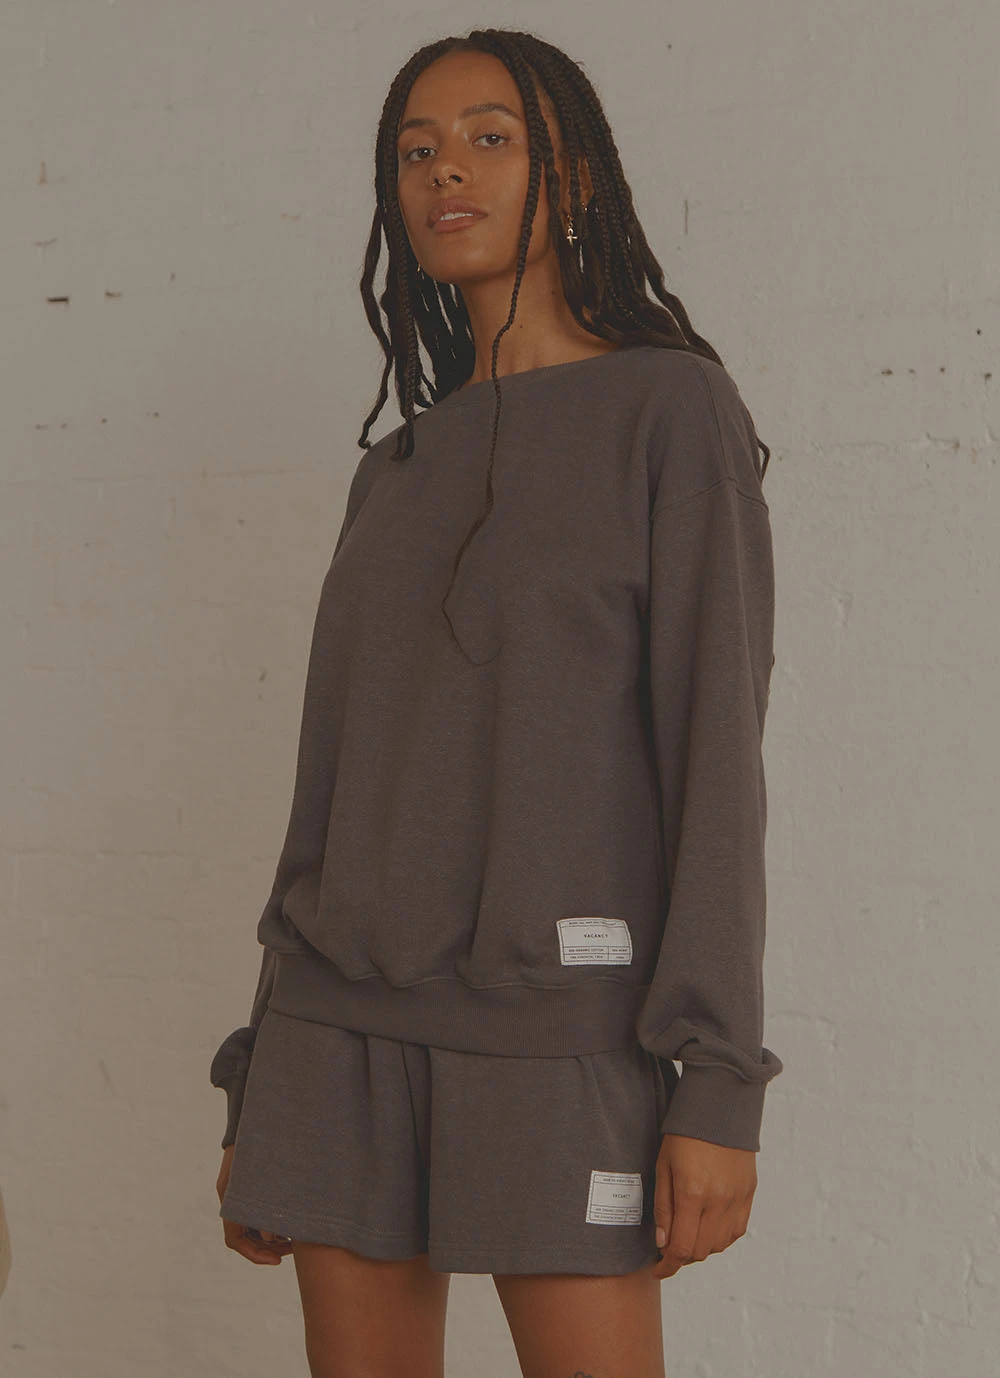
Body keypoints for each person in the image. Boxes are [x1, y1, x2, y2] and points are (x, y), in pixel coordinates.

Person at [211, 27, 782, 1378]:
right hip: (334, 1038)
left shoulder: (670, 412)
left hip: (557, 1035)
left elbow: (715, 759)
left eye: (488, 137)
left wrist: (717, 1082)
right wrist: (262, 1061)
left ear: (570, 171)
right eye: (415, 150)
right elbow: (330, 785)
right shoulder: (394, 470)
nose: (444, 171)